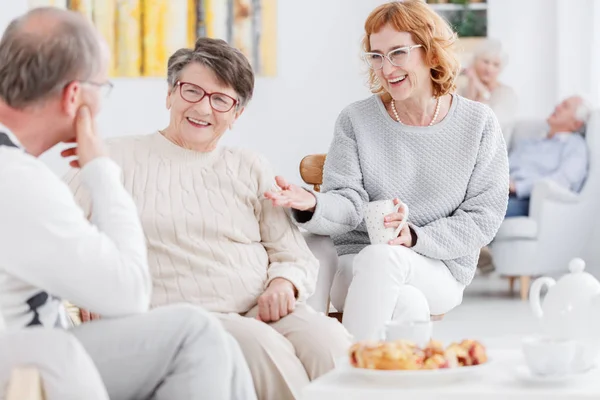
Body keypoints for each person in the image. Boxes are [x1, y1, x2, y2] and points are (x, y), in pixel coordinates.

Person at [65, 37, 351, 400]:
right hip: (185, 319)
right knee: (264, 348)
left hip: (261, 306)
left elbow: (292, 254)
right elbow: (58, 232)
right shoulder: (116, 157)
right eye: (192, 91)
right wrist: (87, 288)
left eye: (220, 99)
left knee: (331, 342)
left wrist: (284, 284)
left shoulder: (250, 165)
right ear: (170, 94)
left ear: (236, 114)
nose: (203, 107)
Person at [0, 7, 255, 400]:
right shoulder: (21, 183)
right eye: (102, 88)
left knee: (219, 347)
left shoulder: (17, 174)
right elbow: (130, 291)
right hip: (23, 366)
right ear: (73, 96)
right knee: (197, 333)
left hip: (38, 350)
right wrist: (101, 169)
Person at [264, 0, 509, 341]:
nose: (386, 67)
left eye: (397, 53)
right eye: (376, 56)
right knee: (406, 302)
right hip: (356, 263)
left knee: (385, 259)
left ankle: (343, 377)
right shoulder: (356, 120)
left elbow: (484, 216)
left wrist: (415, 236)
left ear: (430, 52)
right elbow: (347, 202)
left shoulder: (478, 123)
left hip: (440, 268)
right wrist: (312, 203)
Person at [506, 95, 590, 217]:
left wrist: (517, 187)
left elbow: (564, 181)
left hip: (529, 200)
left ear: (576, 124)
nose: (557, 107)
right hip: (501, 190)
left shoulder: (575, 146)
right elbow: (505, 165)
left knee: (479, 212)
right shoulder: (531, 141)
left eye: (565, 106)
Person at [457, 39, 518, 141]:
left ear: (501, 69)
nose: (489, 68)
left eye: (496, 65)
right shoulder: (463, 89)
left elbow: (488, 126)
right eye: (485, 62)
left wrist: (478, 86)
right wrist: (472, 83)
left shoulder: (507, 94)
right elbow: (462, 120)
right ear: (475, 62)